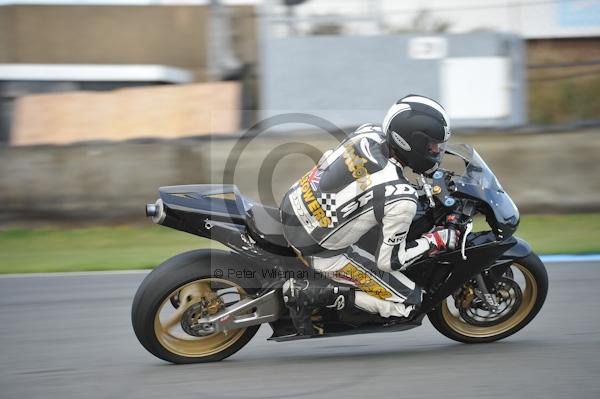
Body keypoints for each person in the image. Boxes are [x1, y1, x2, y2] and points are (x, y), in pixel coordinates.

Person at [279, 95, 460, 334]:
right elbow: (390, 261)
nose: (436, 151)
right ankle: (310, 292)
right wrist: (436, 240)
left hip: (293, 206)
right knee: (410, 304)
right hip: (319, 250)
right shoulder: (401, 197)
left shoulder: (368, 133)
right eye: (432, 146)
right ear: (410, 142)